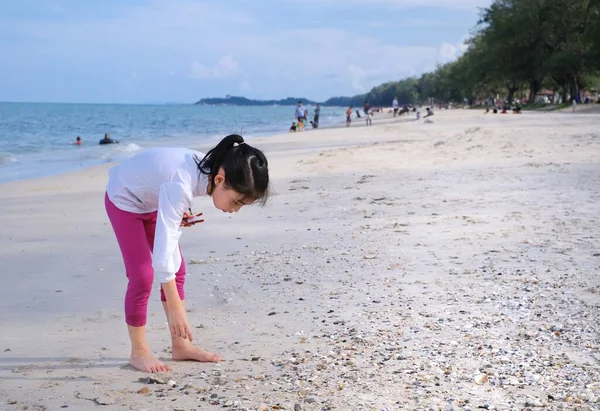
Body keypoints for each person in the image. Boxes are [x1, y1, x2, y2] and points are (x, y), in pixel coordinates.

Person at [104, 134, 270, 373]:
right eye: (237, 202)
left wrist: (182, 210)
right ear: (221, 179)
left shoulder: (212, 167)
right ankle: (138, 352)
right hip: (124, 199)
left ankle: (180, 346)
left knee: (178, 269)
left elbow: (170, 186)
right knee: (142, 276)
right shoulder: (181, 185)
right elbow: (162, 255)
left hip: (152, 200)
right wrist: (176, 309)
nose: (235, 210)